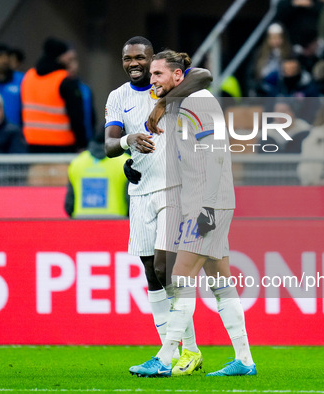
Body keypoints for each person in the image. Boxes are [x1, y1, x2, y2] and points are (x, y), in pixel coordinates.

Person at [129, 50, 255, 377]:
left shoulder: (197, 102)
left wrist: (208, 209)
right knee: (220, 283)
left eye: (158, 74)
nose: (152, 80)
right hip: (207, 201)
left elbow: (214, 156)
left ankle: (166, 356)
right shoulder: (182, 103)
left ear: (177, 77)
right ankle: (244, 359)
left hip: (207, 204)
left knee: (179, 276)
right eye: (151, 74)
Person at [104, 37, 213, 376]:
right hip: (139, 193)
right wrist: (127, 142)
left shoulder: (165, 85)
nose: (134, 63)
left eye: (140, 58)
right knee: (152, 274)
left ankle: (168, 355)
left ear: (153, 60)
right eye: (128, 58)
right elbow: (109, 144)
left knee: (169, 270)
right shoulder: (117, 97)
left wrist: (164, 103)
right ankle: (188, 351)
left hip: (172, 189)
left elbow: (204, 75)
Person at [21, 37, 87, 153]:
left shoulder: (28, 77)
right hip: (62, 146)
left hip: (33, 145)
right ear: (61, 57)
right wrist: (82, 144)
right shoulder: (65, 80)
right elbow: (77, 117)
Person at [64, 130, 128, 218]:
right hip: (116, 222)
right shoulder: (125, 162)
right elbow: (131, 200)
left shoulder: (76, 162)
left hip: (81, 222)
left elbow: (69, 204)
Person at [247, 22, 292, 96]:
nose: (276, 41)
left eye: (278, 37)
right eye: (273, 38)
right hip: (263, 90)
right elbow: (251, 76)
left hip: (282, 90)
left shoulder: (289, 53)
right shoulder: (259, 53)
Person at [65, 45, 96, 142]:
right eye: (68, 62)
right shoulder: (57, 87)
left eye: (73, 61)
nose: (71, 66)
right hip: (64, 141)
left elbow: (91, 117)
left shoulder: (85, 89)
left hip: (85, 142)